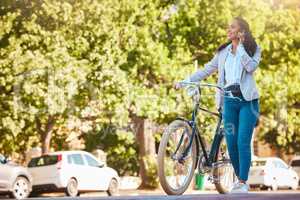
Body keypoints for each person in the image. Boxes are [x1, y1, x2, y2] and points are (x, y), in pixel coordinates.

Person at [174, 17, 261, 193]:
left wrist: (242, 47)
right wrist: (186, 81)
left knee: (242, 141)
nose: (228, 30)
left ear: (241, 31)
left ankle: (243, 181)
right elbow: (207, 70)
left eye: (232, 27)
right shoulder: (223, 53)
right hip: (228, 101)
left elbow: (251, 68)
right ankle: (239, 179)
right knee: (231, 142)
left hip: (248, 102)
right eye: (228, 27)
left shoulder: (254, 49)